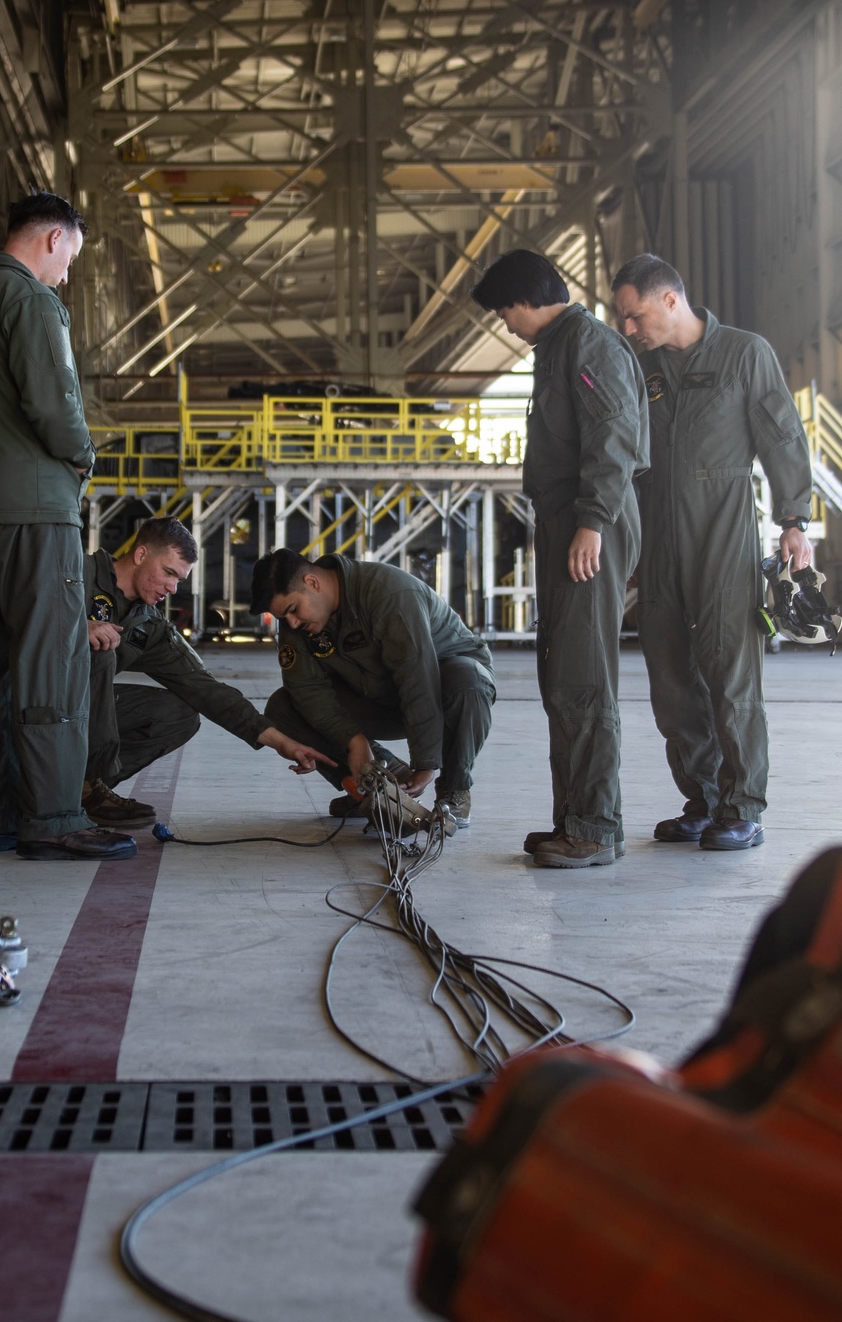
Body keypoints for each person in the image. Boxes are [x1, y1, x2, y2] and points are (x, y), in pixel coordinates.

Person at [0, 192, 133, 862]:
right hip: (33, 511)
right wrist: (84, 453)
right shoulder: (32, 302)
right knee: (52, 662)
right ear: (53, 239)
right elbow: (54, 405)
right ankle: (52, 818)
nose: (67, 275)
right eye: (70, 257)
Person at [611, 254, 813, 852]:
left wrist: (794, 520)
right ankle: (700, 799)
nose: (628, 328)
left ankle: (743, 806)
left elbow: (783, 436)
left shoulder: (744, 354)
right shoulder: (642, 370)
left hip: (723, 539)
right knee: (671, 682)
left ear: (670, 301)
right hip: (660, 544)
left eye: (635, 315)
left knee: (731, 679)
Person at [473, 249, 649, 868]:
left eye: (503, 313)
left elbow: (615, 435)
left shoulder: (588, 344)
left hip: (587, 521)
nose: (505, 325)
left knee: (583, 673)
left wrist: (591, 523)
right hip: (568, 520)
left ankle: (597, 828)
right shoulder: (556, 349)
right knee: (560, 670)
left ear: (525, 300)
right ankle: (573, 818)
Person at [80, 518, 333, 823]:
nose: (172, 588)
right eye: (169, 573)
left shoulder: (148, 624)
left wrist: (281, 742)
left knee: (178, 715)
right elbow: (15, 616)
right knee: (100, 652)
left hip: (81, 707)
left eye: (180, 581)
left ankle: (82, 789)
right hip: (28, 704)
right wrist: (78, 627)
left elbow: (203, 686)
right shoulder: (76, 573)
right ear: (141, 555)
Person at [249, 548, 496, 830]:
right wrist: (354, 741)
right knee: (283, 708)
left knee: (467, 680)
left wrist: (426, 763)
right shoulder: (298, 622)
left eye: (293, 610)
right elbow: (306, 688)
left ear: (313, 583)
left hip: (440, 692)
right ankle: (374, 785)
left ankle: (454, 790)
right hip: (380, 699)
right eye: (284, 617)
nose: (291, 623)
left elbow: (417, 677)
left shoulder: (389, 594)